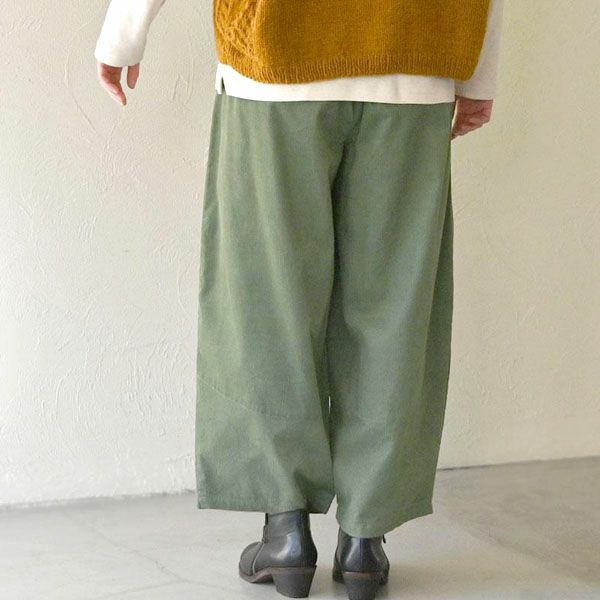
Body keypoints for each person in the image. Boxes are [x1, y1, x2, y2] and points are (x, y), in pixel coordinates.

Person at [94, 2, 504, 598]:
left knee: (266, 303)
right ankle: (364, 540)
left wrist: (123, 34)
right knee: (394, 308)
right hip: (417, 62)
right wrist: (479, 70)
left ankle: (285, 533)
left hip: (277, 60)